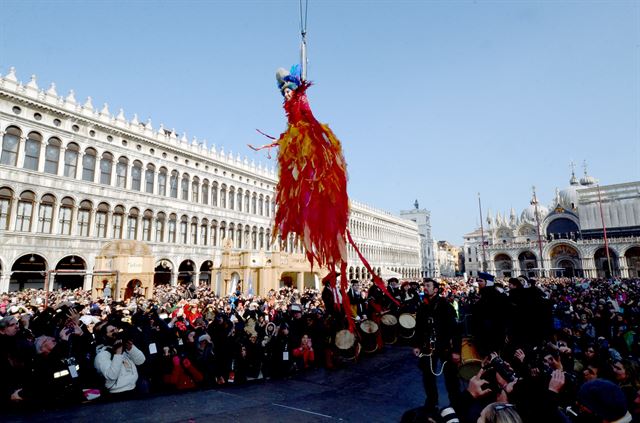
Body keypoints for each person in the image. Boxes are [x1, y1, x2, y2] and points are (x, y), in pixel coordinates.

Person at [413, 278, 461, 413]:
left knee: (450, 376)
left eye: (428, 285)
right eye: (424, 286)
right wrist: (416, 345)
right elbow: (419, 327)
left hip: (445, 345)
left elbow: (455, 330)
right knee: (427, 376)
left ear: (435, 289)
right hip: (427, 346)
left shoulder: (445, 305)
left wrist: (456, 351)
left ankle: (456, 403)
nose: (425, 288)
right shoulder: (423, 306)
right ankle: (431, 401)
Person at [94, 324, 146, 398]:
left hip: (134, 389)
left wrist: (131, 348)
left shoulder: (124, 348)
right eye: (112, 331)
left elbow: (141, 361)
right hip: (117, 395)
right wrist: (118, 354)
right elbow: (111, 376)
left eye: (116, 329)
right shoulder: (102, 355)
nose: (116, 332)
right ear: (104, 337)